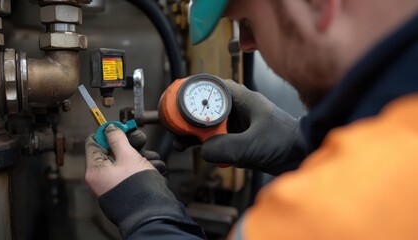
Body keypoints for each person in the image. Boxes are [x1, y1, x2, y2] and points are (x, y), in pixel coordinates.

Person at [85, 0, 418, 239]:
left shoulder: (317, 214)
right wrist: (301, 149)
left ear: (316, 5)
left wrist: (148, 214)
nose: (246, 45)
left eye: (247, 21)